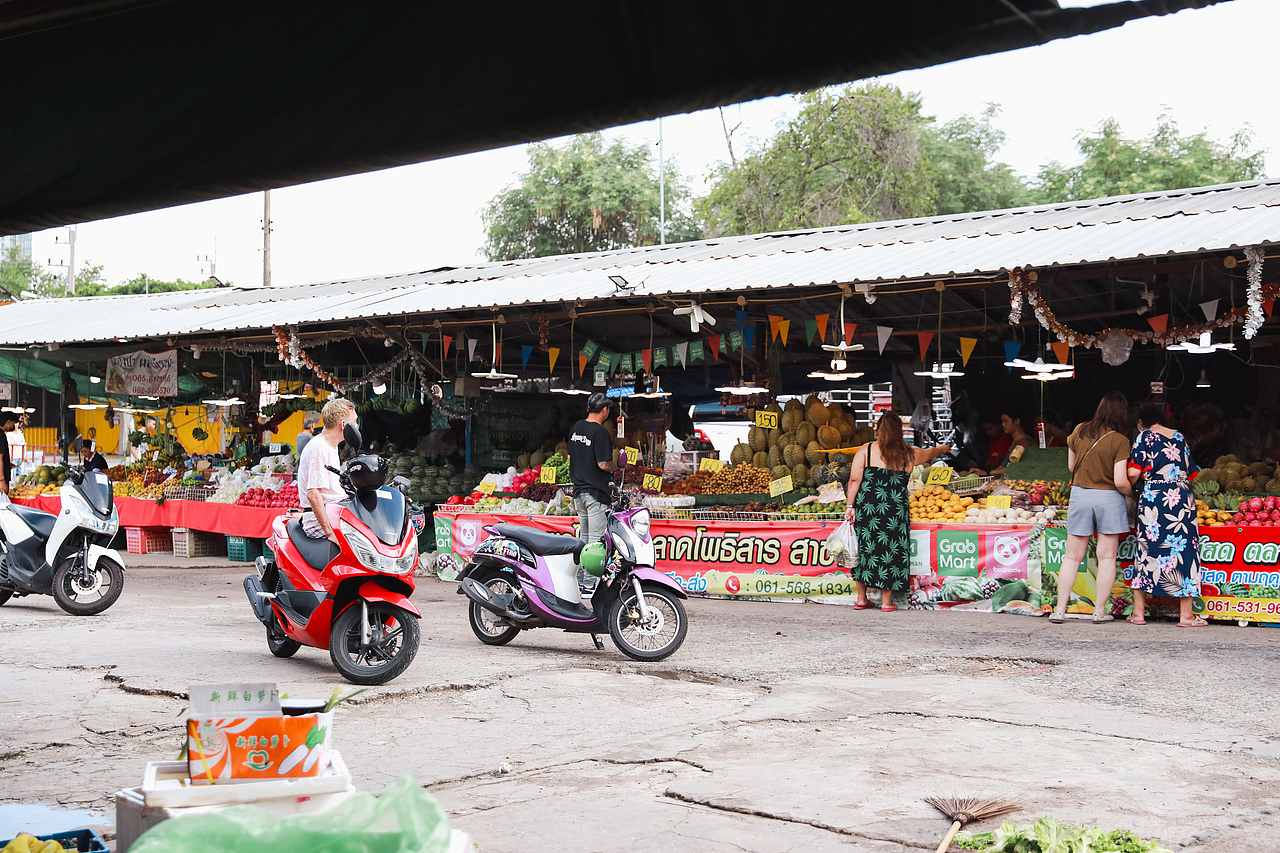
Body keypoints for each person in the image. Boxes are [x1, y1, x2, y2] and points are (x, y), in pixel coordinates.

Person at [843, 413, 951, 611]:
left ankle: (861, 599)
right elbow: (930, 453)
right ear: (899, 431)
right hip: (894, 510)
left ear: (878, 430)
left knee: (864, 550)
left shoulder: (866, 450)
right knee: (891, 551)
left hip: (868, 508)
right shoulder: (909, 453)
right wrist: (942, 449)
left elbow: (854, 480)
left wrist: (850, 506)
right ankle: (886, 602)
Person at [1049, 392, 1132, 623]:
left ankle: (1059, 610)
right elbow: (1120, 480)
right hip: (1109, 498)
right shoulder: (1120, 440)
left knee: (1071, 557)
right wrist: (1132, 493)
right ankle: (1099, 611)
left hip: (1080, 495)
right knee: (1106, 558)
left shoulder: (1079, 430)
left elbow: (1071, 466)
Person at [1126, 405, 1204, 627]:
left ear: (1141, 422)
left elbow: (1134, 471)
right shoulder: (1179, 436)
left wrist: (1129, 486)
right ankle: (1186, 616)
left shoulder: (1144, 436)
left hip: (1155, 497)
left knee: (1147, 550)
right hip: (1181, 497)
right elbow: (1191, 471)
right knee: (1185, 551)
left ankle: (1138, 614)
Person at [568, 393, 618, 590]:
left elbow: (570, 458)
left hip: (578, 493)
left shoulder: (576, 428)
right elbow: (603, 464)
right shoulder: (600, 432)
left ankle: (580, 581)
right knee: (595, 543)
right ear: (604, 409)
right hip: (595, 494)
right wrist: (618, 466)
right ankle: (589, 584)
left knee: (584, 540)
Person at [296, 398, 358, 543]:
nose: (357, 426)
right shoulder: (320, 448)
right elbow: (313, 494)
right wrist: (330, 533)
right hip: (319, 523)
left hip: (336, 515)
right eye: (355, 422)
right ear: (343, 425)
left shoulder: (330, 446)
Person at [0, 413, 16, 495]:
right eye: (13, 423)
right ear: (8, 422)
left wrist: (7, 464)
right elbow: (0, 458)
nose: (13, 426)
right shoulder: (1, 436)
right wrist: (2, 480)